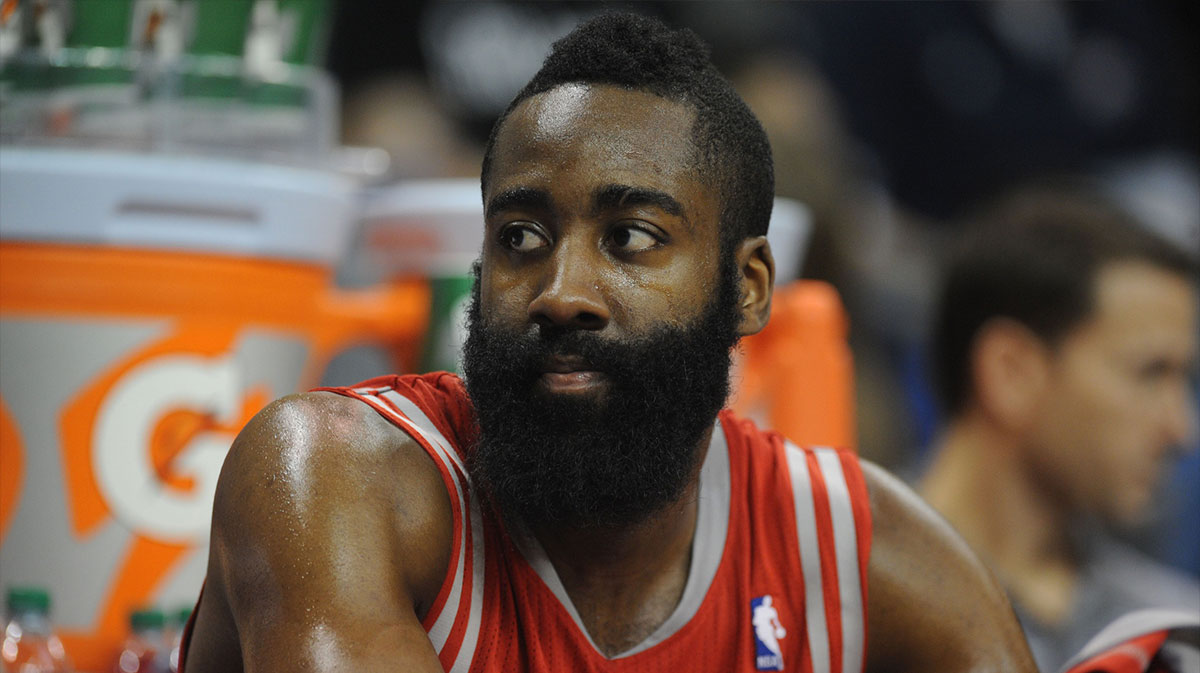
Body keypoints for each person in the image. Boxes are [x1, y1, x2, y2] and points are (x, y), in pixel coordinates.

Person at [181, 13, 1036, 672]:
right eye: (521, 237)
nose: (561, 294)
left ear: (748, 287)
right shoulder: (330, 474)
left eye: (630, 238)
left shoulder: (862, 550)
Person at [919, 184, 1200, 671]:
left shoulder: (1174, 633)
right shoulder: (838, 601)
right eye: (1150, 373)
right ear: (1011, 372)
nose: (1182, 429)